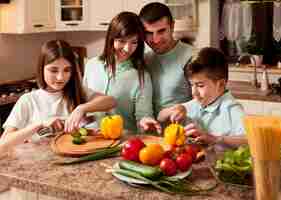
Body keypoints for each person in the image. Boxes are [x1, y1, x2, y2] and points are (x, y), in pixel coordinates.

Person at [0, 40, 116, 155]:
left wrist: (81, 108)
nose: (61, 77)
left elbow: (110, 101)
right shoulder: (28, 100)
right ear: (42, 68)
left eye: (67, 70)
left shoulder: (78, 92)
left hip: (73, 160)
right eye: (53, 70)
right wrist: (39, 124)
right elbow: (3, 144)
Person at [158, 47, 247, 147]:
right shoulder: (196, 103)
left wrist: (215, 139)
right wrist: (175, 109)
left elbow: (249, 140)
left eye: (200, 85)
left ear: (221, 84)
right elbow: (160, 117)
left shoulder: (231, 108)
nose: (194, 92)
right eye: (191, 85)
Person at [83, 12, 153, 132]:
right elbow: (83, 100)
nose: (127, 48)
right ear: (111, 38)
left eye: (134, 42)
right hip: (92, 140)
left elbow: (143, 116)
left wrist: (145, 122)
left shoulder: (141, 76)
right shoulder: (91, 65)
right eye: (121, 41)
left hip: (122, 142)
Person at [138, 2, 193, 132]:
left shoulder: (192, 57)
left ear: (172, 26)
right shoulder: (145, 59)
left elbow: (207, 102)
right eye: (149, 33)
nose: (155, 40)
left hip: (182, 137)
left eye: (161, 31)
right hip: (151, 138)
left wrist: (184, 108)